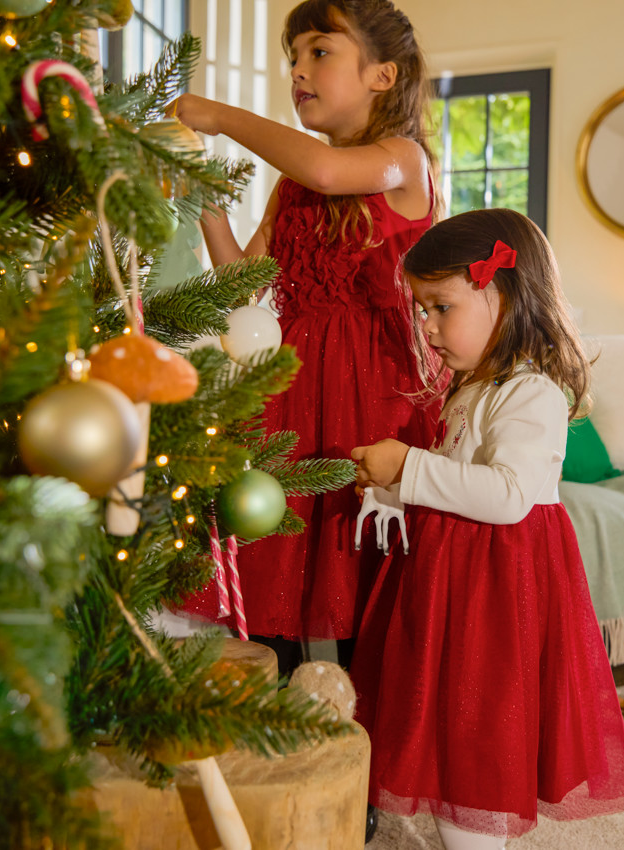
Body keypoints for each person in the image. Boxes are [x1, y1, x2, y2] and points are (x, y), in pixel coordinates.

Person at [350, 208, 624, 849]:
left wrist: (411, 467)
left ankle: (476, 832)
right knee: (447, 714)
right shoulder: (472, 386)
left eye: (439, 308)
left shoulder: (531, 392)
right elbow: (458, 481)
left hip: (496, 591)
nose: (425, 327)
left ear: (501, 296)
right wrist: (394, 489)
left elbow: (508, 496)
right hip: (452, 579)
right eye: (420, 309)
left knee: (480, 724)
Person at [168, 0, 440, 670]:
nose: (298, 71)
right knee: (277, 552)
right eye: (293, 58)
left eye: (320, 52)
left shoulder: (403, 161)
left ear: (383, 76)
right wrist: (203, 191)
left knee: (363, 560)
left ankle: (368, 730)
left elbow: (327, 170)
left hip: (375, 394)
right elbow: (241, 278)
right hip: (291, 390)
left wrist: (219, 117)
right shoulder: (293, 187)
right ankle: (282, 717)